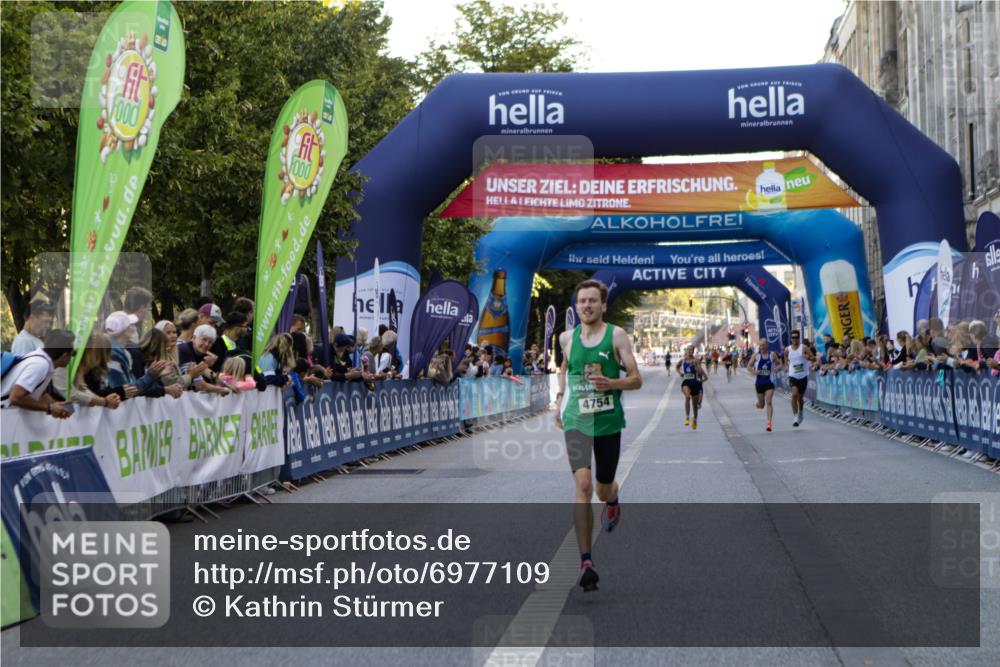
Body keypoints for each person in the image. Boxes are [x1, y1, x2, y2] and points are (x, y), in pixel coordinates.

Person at [555, 279, 642, 593]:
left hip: (607, 422)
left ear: (603, 305)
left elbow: (636, 380)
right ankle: (586, 561)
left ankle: (613, 498)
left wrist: (611, 384)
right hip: (577, 420)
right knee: (583, 484)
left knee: (603, 490)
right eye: (582, 301)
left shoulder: (617, 336)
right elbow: (565, 367)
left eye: (592, 301)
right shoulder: (566, 338)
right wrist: (559, 398)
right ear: (576, 306)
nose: (587, 306)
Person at [1, 329, 75, 417]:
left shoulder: (41, 360)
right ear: (64, 356)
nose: (72, 357)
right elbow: (15, 398)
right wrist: (50, 408)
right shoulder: (40, 365)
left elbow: (40, 393)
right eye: (73, 353)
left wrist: (56, 405)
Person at [105, 311, 167, 398]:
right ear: (122, 329)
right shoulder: (114, 354)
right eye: (130, 325)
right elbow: (125, 391)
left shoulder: (123, 352)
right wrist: (150, 376)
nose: (133, 328)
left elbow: (134, 388)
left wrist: (152, 376)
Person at [71, 332, 123, 409]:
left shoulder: (83, 367)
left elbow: (82, 388)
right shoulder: (72, 363)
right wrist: (104, 401)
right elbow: (72, 394)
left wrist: (105, 400)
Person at [178, 325, 229, 396]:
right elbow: (199, 384)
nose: (206, 344)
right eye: (204, 339)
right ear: (193, 338)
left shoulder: (199, 352)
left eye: (210, 342)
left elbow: (208, 373)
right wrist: (221, 389)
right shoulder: (185, 350)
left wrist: (227, 384)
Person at [748, 338, 782, 432]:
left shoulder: (772, 355)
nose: (762, 347)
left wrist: (777, 368)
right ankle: (758, 403)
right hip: (759, 383)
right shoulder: (756, 356)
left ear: (767, 345)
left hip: (769, 382)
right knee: (762, 405)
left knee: (769, 401)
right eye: (760, 345)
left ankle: (769, 423)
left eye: (763, 345)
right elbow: (749, 366)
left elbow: (780, 364)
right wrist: (754, 372)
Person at [785, 330, 814, 426]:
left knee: (800, 399)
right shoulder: (787, 349)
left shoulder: (804, 347)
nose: (794, 339)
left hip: (803, 376)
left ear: (799, 338)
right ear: (791, 339)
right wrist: (786, 366)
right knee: (794, 395)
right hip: (793, 376)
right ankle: (795, 416)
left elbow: (813, 357)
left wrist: (806, 356)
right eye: (793, 337)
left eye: (796, 337)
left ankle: (801, 411)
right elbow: (785, 359)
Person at [676, 346, 708, 429]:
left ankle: (695, 419)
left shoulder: (696, 360)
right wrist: (680, 373)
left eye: (691, 350)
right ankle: (687, 417)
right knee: (687, 396)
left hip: (695, 383)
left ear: (693, 351)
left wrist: (696, 367)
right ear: (686, 351)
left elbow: (700, 372)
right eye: (688, 350)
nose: (690, 352)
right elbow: (677, 367)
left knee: (694, 405)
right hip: (686, 382)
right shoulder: (683, 360)